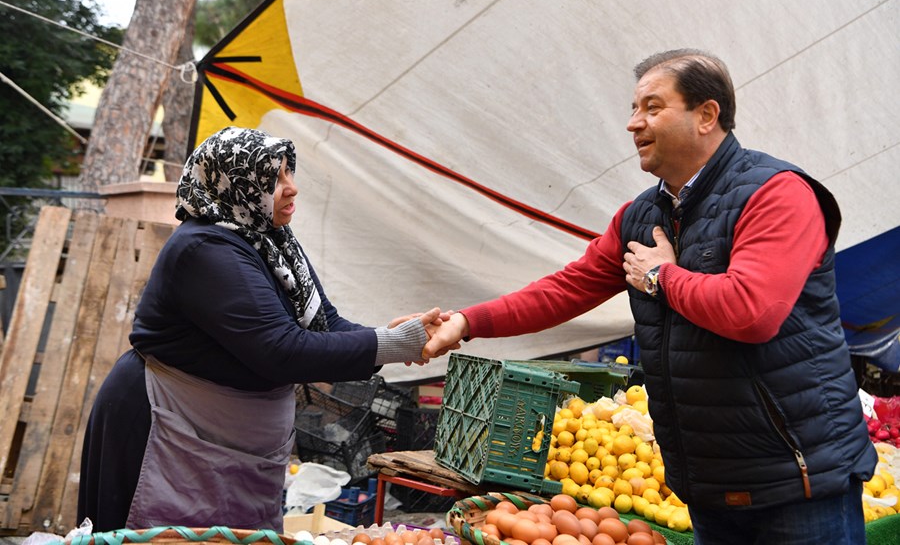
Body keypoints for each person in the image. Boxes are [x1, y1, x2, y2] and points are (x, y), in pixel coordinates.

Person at [426, 49, 877, 544]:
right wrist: (467, 322)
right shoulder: (641, 216)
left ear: (706, 115)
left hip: (798, 484)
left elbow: (752, 311)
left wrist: (662, 277)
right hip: (707, 487)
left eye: (651, 107)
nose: (632, 123)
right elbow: (566, 290)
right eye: (634, 108)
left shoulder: (777, 194)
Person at [77, 126, 448, 533]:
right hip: (170, 427)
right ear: (234, 183)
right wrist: (391, 345)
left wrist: (392, 336)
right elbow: (281, 350)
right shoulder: (205, 250)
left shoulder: (269, 241)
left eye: (290, 173)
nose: (291, 189)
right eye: (274, 179)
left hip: (224, 441)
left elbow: (324, 323)